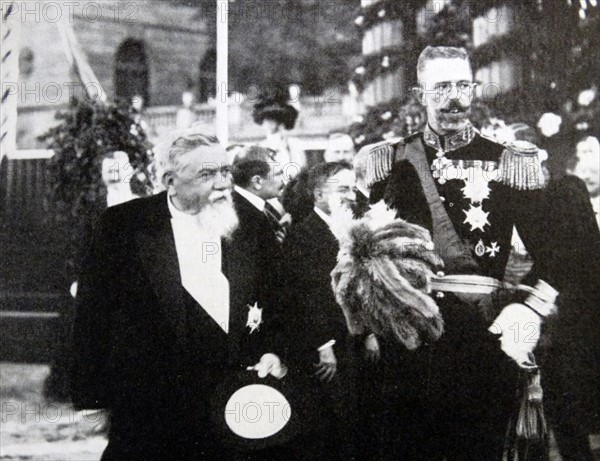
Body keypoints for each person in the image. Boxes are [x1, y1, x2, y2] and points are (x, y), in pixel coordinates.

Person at [363, 46, 564, 460]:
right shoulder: (389, 160)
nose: (453, 98)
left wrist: (526, 312)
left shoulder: (509, 161)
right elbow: (366, 257)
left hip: (484, 336)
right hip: (411, 340)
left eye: (462, 85)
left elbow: (556, 257)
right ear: (421, 94)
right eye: (440, 88)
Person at [71, 132, 286, 460]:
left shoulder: (252, 223)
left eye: (225, 172)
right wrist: (91, 399)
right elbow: (92, 316)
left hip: (230, 406)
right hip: (149, 409)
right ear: (170, 181)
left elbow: (278, 297)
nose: (222, 184)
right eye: (207, 174)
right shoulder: (123, 226)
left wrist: (274, 350)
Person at [281, 161, 358, 461]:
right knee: (328, 425)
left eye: (352, 188)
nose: (351, 195)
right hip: (325, 346)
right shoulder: (303, 235)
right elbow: (305, 296)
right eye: (342, 189)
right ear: (318, 195)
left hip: (352, 339)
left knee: (351, 422)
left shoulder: (351, 231)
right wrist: (324, 345)